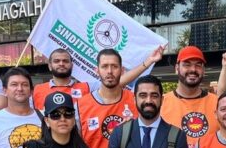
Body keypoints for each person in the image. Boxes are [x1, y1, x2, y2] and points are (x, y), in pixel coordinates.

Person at [31, 47, 160, 112]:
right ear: (49, 65)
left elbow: (115, 81)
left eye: (65, 61)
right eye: (57, 61)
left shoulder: (86, 88)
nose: (61, 64)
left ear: (72, 65)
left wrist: (148, 62)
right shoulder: (37, 90)